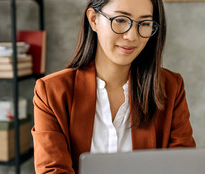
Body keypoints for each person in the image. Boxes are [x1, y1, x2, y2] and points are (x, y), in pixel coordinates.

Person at [31, 0, 196, 173]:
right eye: (121, 20)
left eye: (145, 23)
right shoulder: (51, 91)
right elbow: (53, 170)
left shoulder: (171, 87)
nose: (132, 36)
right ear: (94, 19)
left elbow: (182, 166)